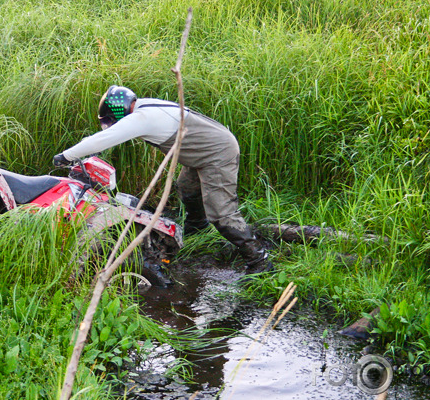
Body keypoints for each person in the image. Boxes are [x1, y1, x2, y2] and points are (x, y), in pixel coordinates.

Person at [53, 85, 273, 273]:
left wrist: (66, 156)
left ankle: (258, 260)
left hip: (216, 154)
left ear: (118, 111)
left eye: (111, 119)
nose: (112, 123)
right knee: (186, 187)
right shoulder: (145, 107)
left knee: (221, 212)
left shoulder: (142, 118)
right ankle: (198, 229)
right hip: (204, 151)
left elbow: (103, 139)